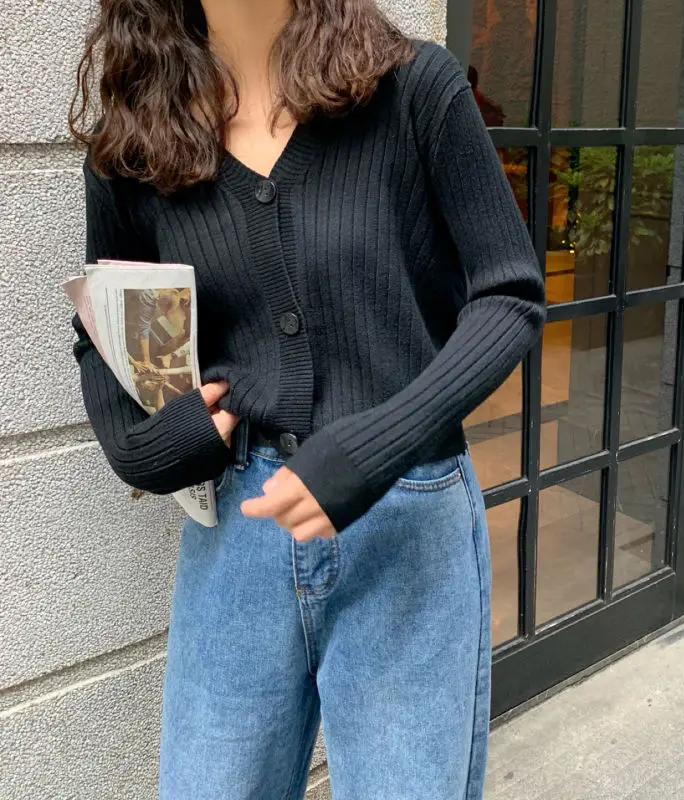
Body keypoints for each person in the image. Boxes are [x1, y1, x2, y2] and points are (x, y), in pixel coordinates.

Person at [68, 0, 545, 797]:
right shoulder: (140, 137)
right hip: (237, 534)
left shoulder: (413, 91)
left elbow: (510, 296)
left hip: (408, 519)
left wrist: (375, 446)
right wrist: (139, 447)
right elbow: (100, 327)